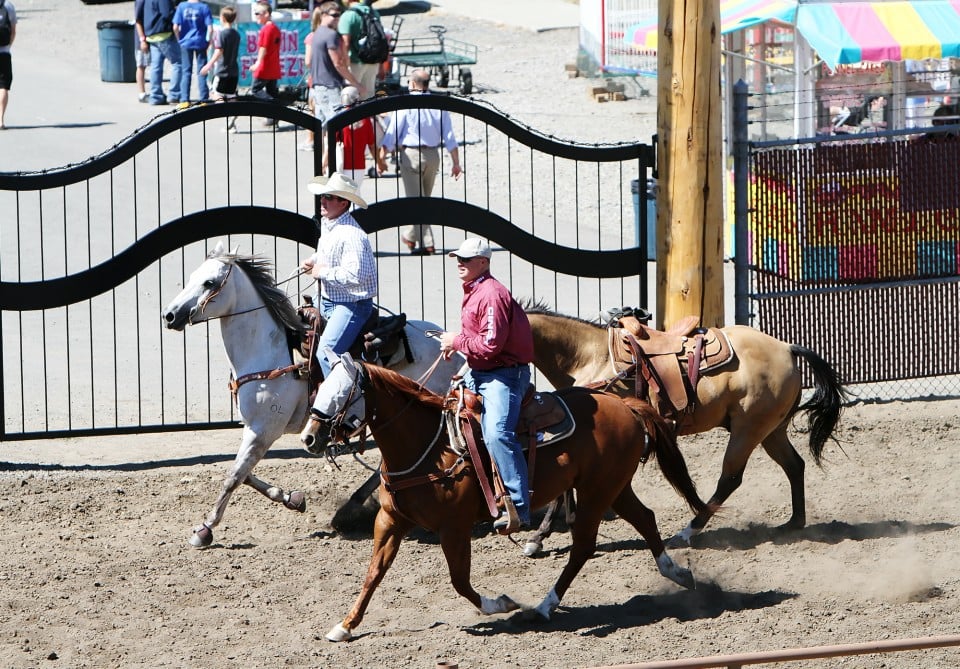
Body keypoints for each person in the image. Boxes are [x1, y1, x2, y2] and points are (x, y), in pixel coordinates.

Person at [439, 238, 535, 534]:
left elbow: (491, 345)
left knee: (497, 433)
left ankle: (518, 507)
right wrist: (459, 347)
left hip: (503, 376)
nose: (460, 263)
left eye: (466, 259)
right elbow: (480, 340)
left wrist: (457, 341)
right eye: (458, 258)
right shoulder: (475, 289)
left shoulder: (491, 294)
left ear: (483, 262)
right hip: (482, 370)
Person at [299, 172, 379, 379]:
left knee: (326, 353)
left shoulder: (352, 235)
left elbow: (356, 275)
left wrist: (322, 272)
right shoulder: (330, 225)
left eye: (329, 197)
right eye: (323, 196)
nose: (322, 200)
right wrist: (314, 260)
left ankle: (343, 394)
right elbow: (331, 255)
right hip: (328, 299)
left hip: (352, 304)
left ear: (344, 203)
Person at [378, 69, 463, 254]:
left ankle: (427, 244)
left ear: (413, 83)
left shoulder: (405, 104)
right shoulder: (438, 104)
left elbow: (392, 133)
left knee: (416, 202)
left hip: (411, 155)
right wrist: (456, 163)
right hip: (433, 156)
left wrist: (382, 158)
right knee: (424, 200)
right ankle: (410, 236)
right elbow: (449, 136)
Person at [304, 2, 364, 155]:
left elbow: (309, 61)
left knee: (322, 124)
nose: (337, 18)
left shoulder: (316, 33)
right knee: (338, 122)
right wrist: (356, 83)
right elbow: (338, 63)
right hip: (330, 85)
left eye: (339, 15)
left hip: (318, 85)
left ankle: (323, 160)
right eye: (334, 15)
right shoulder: (331, 35)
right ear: (324, 15)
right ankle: (334, 159)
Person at [137, 0, 182, 106]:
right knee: (178, 63)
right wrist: (176, 11)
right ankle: (174, 95)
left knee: (156, 67)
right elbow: (167, 13)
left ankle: (155, 96)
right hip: (164, 33)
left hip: (151, 34)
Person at [337, 86, 384, 185]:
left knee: (343, 193)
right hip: (359, 166)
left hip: (341, 164)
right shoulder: (365, 120)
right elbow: (372, 146)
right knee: (356, 192)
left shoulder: (339, 119)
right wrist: (379, 163)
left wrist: (324, 163)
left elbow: (330, 144)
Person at [338, 0, 383, 97]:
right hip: (373, 60)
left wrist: (344, 64)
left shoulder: (348, 15)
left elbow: (345, 43)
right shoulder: (374, 13)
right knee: (369, 95)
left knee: (351, 94)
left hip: (355, 62)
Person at [173, 0, 213, 104]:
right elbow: (210, 28)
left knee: (186, 71)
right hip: (200, 41)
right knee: (202, 70)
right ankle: (204, 98)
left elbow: (175, 27)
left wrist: (179, 39)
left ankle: (185, 99)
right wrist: (209, 41)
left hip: (185, 41)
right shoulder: (204, 7)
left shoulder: (182, 6)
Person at [200, 6, 240, 104]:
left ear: (223, 18)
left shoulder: (222, 34)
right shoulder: (236, 34)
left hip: (222, 71)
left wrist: (209, 65)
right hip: (234, 71)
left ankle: (220, 110)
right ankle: (233, 112)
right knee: (231, 96)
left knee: (216, 94)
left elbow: (219, 50)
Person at [250, 2, 281, 107]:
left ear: (266, 14)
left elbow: (264, 47)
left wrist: (257, 63)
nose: (255, 16)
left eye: (257, 13)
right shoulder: (275, 29)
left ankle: (274, 104)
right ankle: (274, 112)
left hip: (265, 67)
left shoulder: (267, 29)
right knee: (271, 91)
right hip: (274, 66)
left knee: (256, 90)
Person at [0, 0, 16, 129]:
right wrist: (8, 46)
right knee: (3, 86)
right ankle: (0, 120)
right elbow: (13, 31)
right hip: (4, 53)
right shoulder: (8, 6)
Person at [133, 0, 151, 103]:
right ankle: (142, 93)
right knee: (141, 65)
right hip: (142, 38)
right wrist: (142, 39)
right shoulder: (141, 1)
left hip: (151, 36)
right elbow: (138, 20)